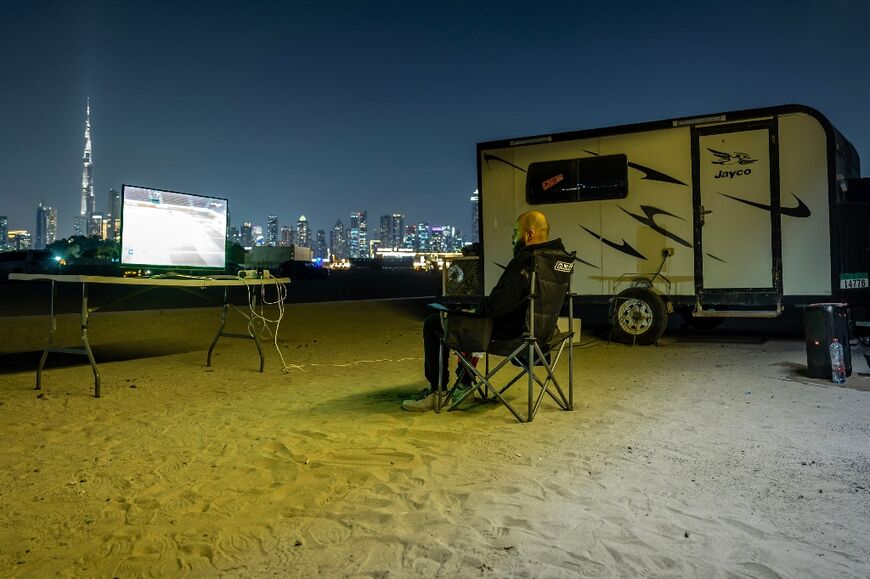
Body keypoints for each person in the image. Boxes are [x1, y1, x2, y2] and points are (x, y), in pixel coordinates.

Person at [402, 210, 568, 411]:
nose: (513, 238)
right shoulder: (559, 260)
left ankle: (437, 391)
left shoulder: (526, 259)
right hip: (543, 334)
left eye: (515, 232)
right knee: (476, 321)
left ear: (529, 234)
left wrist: (472, 311)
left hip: (514, 335)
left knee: (435, 323)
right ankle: (464, 384)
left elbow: (498, 304)